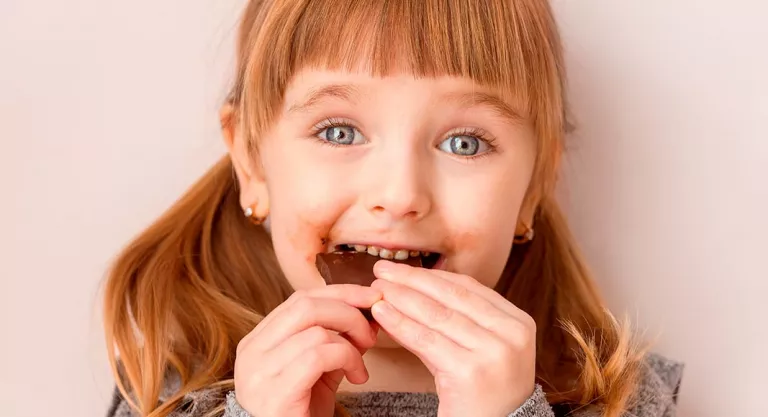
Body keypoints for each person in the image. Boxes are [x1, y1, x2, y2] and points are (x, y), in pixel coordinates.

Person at [103, 1, 684, 416]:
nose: (401, 195)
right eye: (337, 132)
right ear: (251, 166)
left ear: (533, 187)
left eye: (465, 143)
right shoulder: (168, 392)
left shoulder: (617, 402)